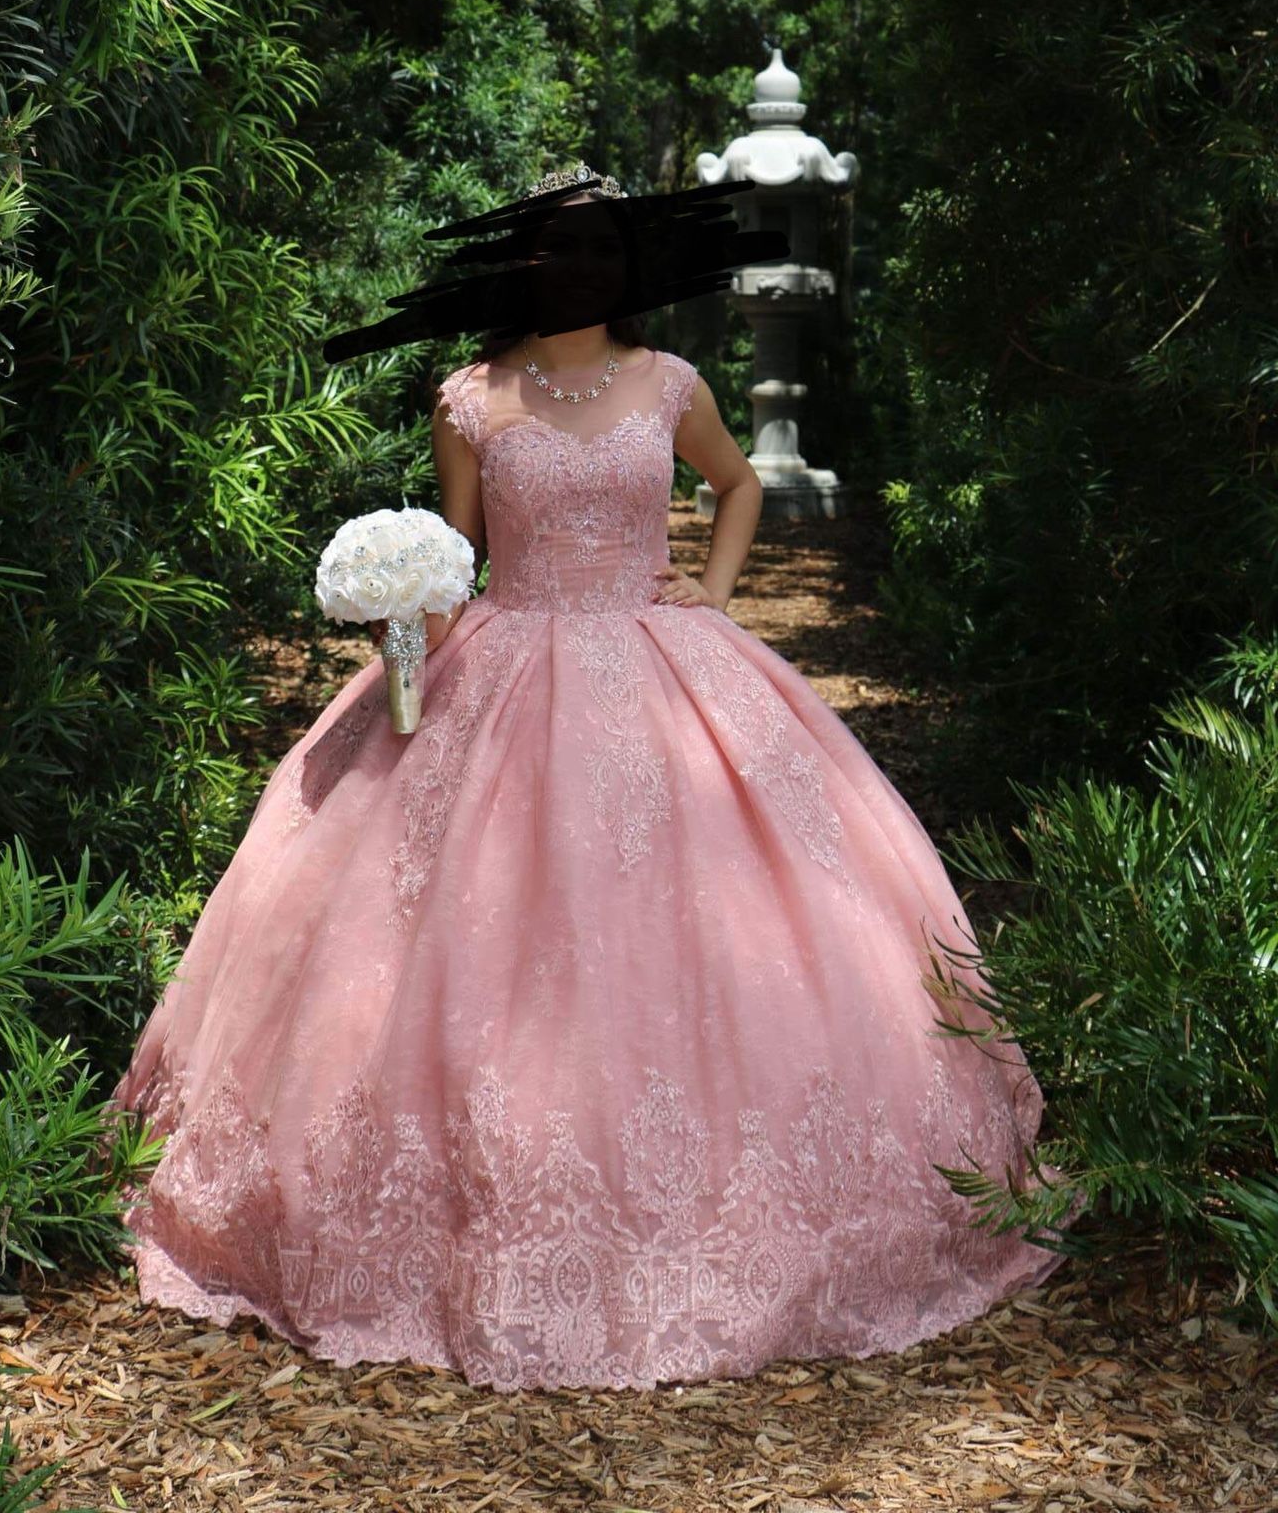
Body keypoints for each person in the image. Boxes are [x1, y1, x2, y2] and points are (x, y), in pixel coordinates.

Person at [104, 174, 1080, 1393]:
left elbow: (737, 484)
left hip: (657, 656)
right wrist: (400, 617)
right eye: (554, 249)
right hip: (501, 663)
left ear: (627, 263)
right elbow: (455, 559)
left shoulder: (668, 383)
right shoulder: (469, 397)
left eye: (597, 248)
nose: (575, 269)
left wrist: (715, 591)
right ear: (519, 264)